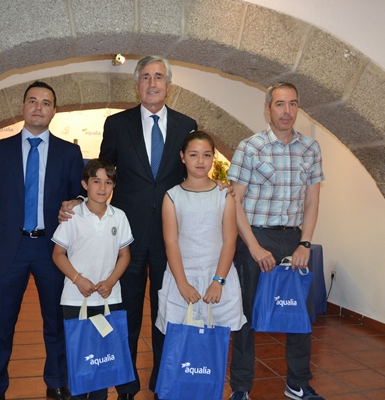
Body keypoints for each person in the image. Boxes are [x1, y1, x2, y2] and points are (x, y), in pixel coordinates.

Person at [60, 55, 197, 400]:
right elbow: (103, 170)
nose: (152, 83)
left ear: (169, 85)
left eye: (159, 77)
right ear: (136, 84)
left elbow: (192, 174)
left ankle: (163, 381)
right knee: (127, 314)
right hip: (127, 239)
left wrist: (218, 188)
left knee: (167, 312)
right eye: (146, 77)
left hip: (169, 237)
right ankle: (127, 384)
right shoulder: (117, 124)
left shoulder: (186, 125)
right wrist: (81, 198)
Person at [0, 81, 83, 400]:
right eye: (33, 101)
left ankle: (57, 381)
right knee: (1, 324)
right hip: (9, 248)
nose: (39, 107)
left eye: (46, 103)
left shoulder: (69, 152)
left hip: (51, 248)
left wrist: (76, 202)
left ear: (54, 111)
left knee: (56, 320)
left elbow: (78, 194)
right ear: (23, 107)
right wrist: (8, 222)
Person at [227, 82, 326, 400]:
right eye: (280, 104)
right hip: (256, 236)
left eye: (293, 104)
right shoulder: (250, 147)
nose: (287, 111)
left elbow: (312, 201)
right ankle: (241, 387)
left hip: (294, 239)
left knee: (299, 315)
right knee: (246, 316)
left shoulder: (310, 149)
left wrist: (305, 244)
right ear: (268, 108)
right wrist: (254, 247)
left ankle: (298, 383)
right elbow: (235, 202)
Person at [52, 158, 133, 400]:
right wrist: (78, 279)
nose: (102, 187)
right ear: (84, 184)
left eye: (108, 182)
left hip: (109, 298)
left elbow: (125, 255)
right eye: (96, 181)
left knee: (104, 356)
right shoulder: (72, 215)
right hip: (76, 299)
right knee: (80, 356)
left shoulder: (119, 217)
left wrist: (110, 282)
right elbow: (58, 254)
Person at [155, 131, 246, 335]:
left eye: (206, 155)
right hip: (183, 277)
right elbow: (171, 243)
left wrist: (218, 281)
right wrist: (182, 284)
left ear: (214, 157)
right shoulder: (172, 197)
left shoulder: (224, 195)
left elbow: (229, 241)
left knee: (216, 343)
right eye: (193, 155)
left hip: (218, 277)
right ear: (182, 156)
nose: (200, 161)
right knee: (181, 342)